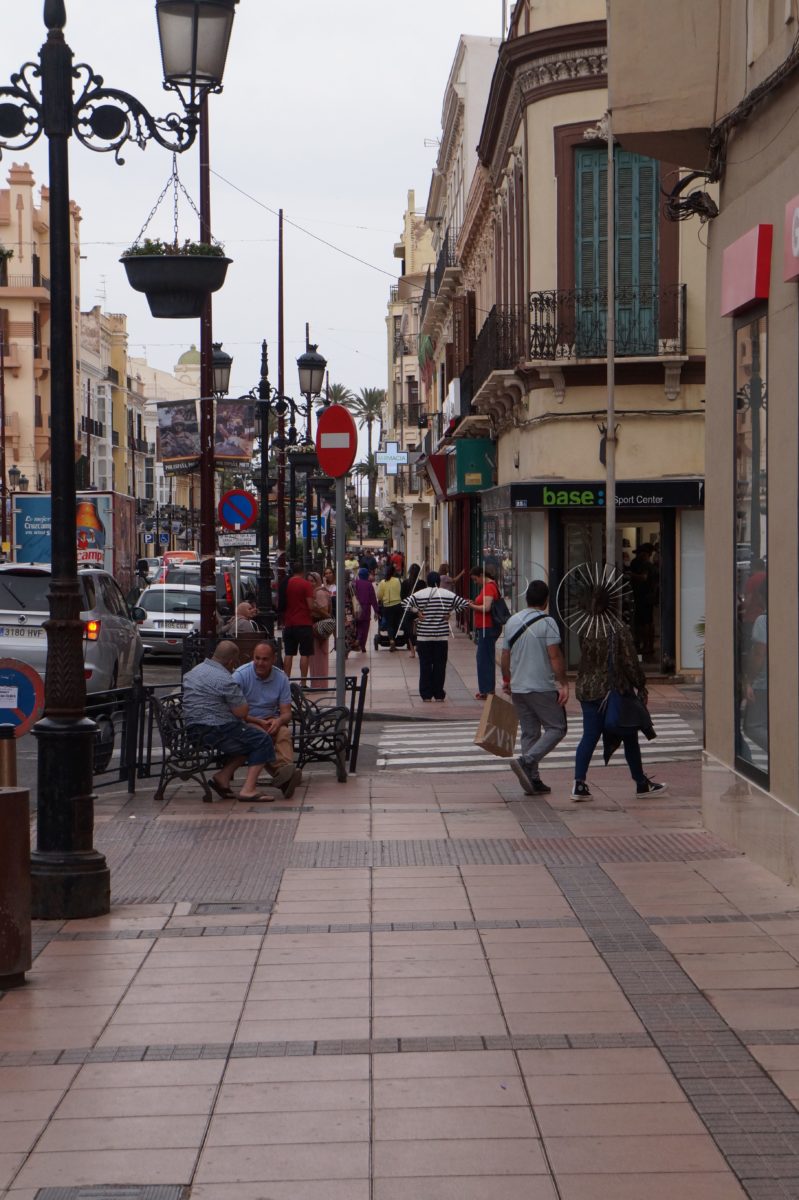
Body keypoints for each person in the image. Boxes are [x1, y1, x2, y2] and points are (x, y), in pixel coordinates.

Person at [571, 605, 667, 802]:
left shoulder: (586, 627)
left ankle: (579, 783)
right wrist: (640, 684)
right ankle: (641, 782)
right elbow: (630, 661)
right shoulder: (617, 628)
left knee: (589, 735)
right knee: (629, 733)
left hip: (587, 688)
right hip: (612, 690)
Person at [182, 641, 296, 802]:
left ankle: (223, 777)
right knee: (260, 739)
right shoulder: (226, 678)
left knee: (254, 738)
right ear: (230, 662)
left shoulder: (195, 671)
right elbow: (241, 712)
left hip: (192, 730)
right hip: (214, 729)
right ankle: (249, 789)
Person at [501, 580, 568, 795]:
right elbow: (554, 655)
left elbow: (504, 655)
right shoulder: (548, 623)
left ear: (526, 597)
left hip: (519, 686)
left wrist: (507, 680)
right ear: (546, 601)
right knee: (557, 728)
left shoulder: (513, 620)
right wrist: (564, 683)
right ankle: (526, 761)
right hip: (541, 686)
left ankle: (533, 779)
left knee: (530, 733)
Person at [233, 641, 301, 799]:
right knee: (262, 737)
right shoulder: (241, 675)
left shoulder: (281, 677)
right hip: (246, 721)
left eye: (265, 659)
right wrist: (257, 722)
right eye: (257, 658)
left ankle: (285, 775)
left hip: (270, 721)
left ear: (273, 659)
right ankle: (285, 776)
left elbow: (286, 713)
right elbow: (233, 711)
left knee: (283, 731)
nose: (260, 663)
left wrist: (278, 721)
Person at [402, 570, 470, 702]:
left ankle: (426, 694)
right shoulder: (447, 594)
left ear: (427, 581)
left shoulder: (419, 594)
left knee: (425, 665)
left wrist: (417, 613)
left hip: (423, 637)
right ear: (439, 581)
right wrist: (451, 613)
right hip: (441, 637)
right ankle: (438, 693)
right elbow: (464, 604)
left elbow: (404, 604)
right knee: (440, 666)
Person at [281, 563, 317, 685]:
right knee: (305, 654)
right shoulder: (305, 584)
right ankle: (303, 683)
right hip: (303, 623)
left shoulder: (286, 583)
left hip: (289, 623)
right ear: (303, 571)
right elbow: (311, 605)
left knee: (289, 653)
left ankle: (285, 681)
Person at [469, 565, 501, 699]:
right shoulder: (489, 586)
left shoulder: (489, 587)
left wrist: (471, 606)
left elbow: (486, 608)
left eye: (475, 579)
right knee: (484, 657)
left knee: (484, 658)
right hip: (485, 627)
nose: (475, 582)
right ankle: (487, 689)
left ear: (481, 576)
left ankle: (487, 690)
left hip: (487, 627)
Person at [628, 543, 657, 658]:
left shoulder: (646, 565)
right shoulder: (650, 566)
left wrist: (631, 575)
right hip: (648, 597)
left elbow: (644, 577)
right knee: (648, 622)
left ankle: (646, 645)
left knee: (644, 623)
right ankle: (649, 645)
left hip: (643, 597)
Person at [308, 570, 332, 688]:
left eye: (312, 581)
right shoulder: (313, 593)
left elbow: (325, 611)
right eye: (308, 581)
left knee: (319, 658)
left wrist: (315, 608)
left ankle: (320, 684)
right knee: (314, 658)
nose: (310, 583)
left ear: (317, 581)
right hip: (315, 629)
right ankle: (316, 683)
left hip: (320, 629)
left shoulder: (319, 593)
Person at [377, 562, 403, 650]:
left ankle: (391, 640)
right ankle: (394, 639)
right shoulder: (398, 581)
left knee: (389, 624)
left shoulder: (383, 582)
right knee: (396, 624)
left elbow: (379, 595)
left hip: (387, 606)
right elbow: (401, 592)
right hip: (398, 605)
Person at [353, 566, 379, 652]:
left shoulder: (355, 583)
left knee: (357, 625)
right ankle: (362, 645)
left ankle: (357, 639)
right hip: (366, 608)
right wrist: (376, 611)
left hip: (356, 608)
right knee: (365, 627)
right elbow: (373, 599)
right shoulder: (369, 585)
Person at [400, 563, 422, 659]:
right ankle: (419, 647)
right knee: (420, 630)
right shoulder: (422, 583)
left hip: (408, 609)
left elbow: (402, 597)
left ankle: (412, 651)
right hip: (420, 609)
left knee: (408, 630)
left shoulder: (405, 583)